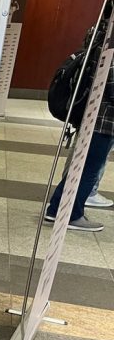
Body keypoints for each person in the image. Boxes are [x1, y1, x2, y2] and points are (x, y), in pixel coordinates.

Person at [45, 68, 114, 231]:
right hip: (102, 123)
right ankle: (72, 215)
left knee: (82, 168)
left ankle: (56, 209)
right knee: (89, 171)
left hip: (95, 119)